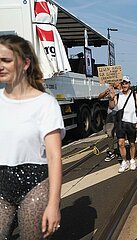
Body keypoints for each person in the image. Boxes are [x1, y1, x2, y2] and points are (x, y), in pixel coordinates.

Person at [0, 34, 65, 239]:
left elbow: (54, 156)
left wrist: (54, 204)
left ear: (25, 63)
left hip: (35, 184)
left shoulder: (45, 104)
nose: (0, 65)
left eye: (6, 60)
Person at [109, 76, 137, 173]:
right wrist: (111, 99)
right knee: (120, 143)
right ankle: (124, 161)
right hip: (121, 122)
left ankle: (132, 160)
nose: (124, 85)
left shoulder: (135, 95)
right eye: (123, 83)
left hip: (132, 122)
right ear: (121, 85)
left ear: (129, 84)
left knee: (132, 143)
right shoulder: (117, 96)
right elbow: (111, 107)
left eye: (126, 83)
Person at [98, 80, 121, 161]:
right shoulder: (110, 90)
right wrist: (105, 93)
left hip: (120, 115)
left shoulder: (122, 91)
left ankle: (119, 151)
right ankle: (111, 151)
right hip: (110, 115)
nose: (114, 83)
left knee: (120, 134)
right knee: (109, 133)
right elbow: (99, 97)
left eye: (116, 81)